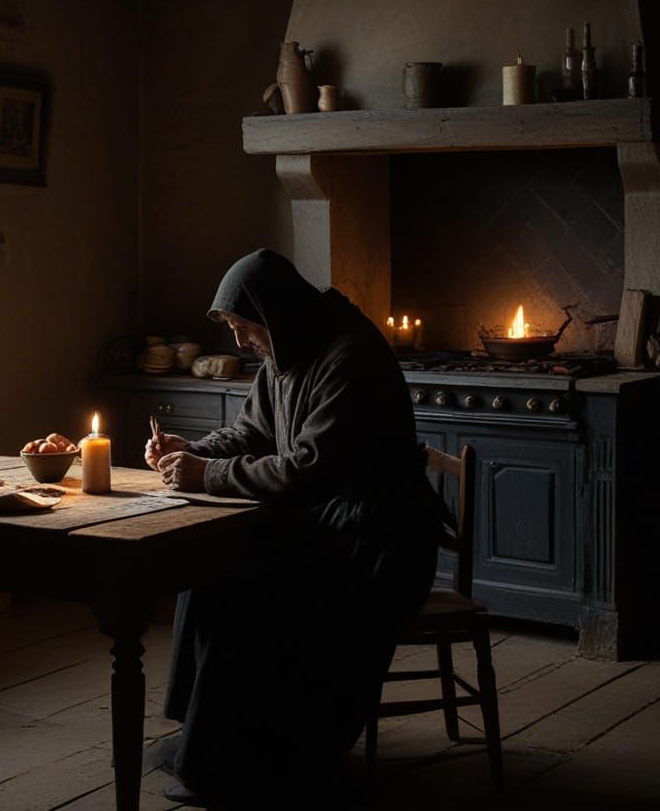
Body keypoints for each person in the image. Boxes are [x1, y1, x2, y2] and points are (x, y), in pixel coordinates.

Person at [145, 249, 445, 807]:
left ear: (272, 311)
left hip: (377, 540)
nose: (241, 342)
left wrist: (206, 474)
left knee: (247, 596)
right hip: (328, 526)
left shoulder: (349, 354)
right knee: (208, 577)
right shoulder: (288, 350)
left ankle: (241, 762)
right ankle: (204, 741)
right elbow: (250, 435)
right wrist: (190, 451)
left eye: (243, 327)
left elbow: (310, 470)